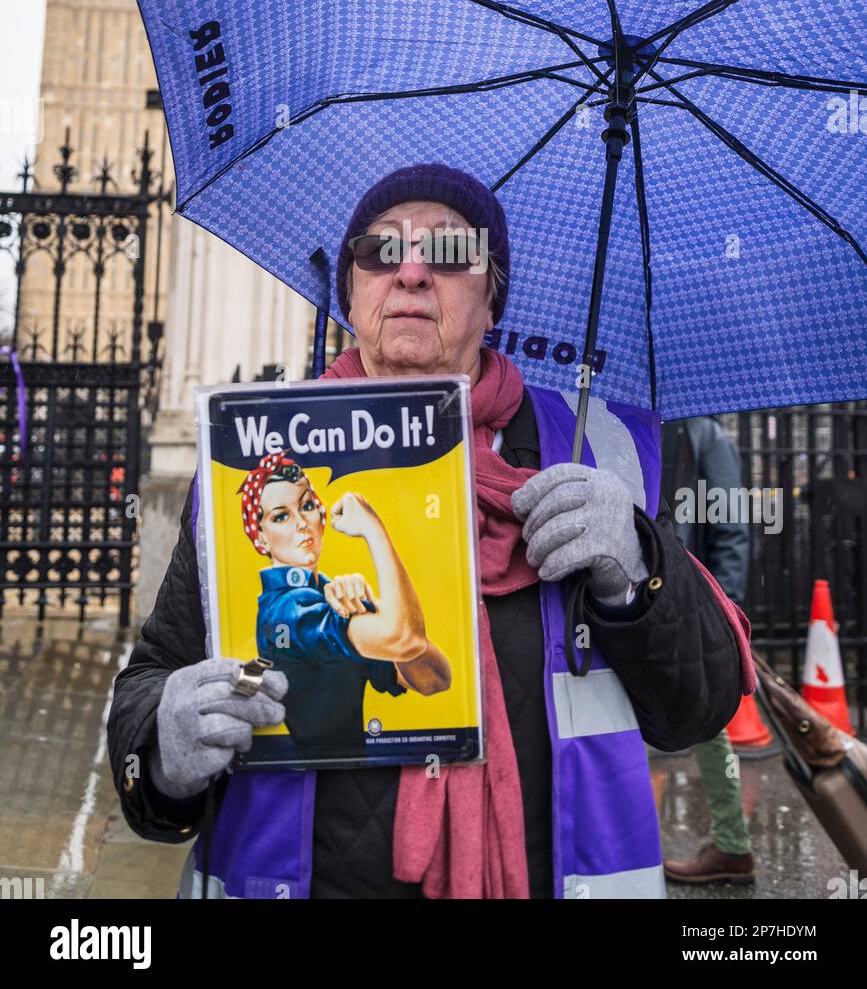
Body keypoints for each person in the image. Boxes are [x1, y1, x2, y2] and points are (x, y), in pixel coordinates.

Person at [107, 162, 753, 900]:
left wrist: (638, 571)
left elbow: (695, 710)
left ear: (491, 297)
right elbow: (154, 674)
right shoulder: (257, 462)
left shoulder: (591, 449)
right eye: (380, 251)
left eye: (449, 252)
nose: (412, 272)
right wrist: (162, 747)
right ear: (351, 289)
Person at [244, 452, 450, 758]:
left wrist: (373, 609)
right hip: (313, 785)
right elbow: (405, 639)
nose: (302, 523)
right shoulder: (287, 610)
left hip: (360, 777)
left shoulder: (323, 598)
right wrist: (373, 530)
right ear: (261, 538)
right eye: (281, 516)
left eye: (307, 506)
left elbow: (434, 679)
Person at [659, 415, 755, 886]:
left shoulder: (704, 434)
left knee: (709, 723)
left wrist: (725, 611)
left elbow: (732, 527)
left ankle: (733, 844)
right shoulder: (620, 421)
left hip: (691, 604)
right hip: (638, 599)